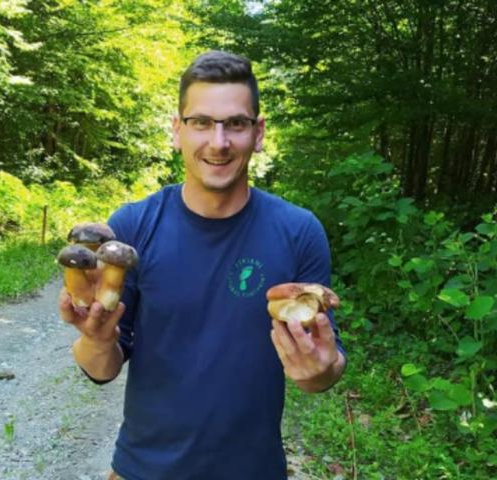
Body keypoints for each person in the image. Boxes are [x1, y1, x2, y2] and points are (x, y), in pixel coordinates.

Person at [58, 50, 346, 480]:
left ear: (258, 132)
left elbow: (321, 369)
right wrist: (96, 340)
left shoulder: (298, 231)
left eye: (236, 123)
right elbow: (103, 368)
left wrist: (320, 370)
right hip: (141, 471)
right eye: (201, 123)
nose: (218, 142)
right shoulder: (134, 226)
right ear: (177, 130)